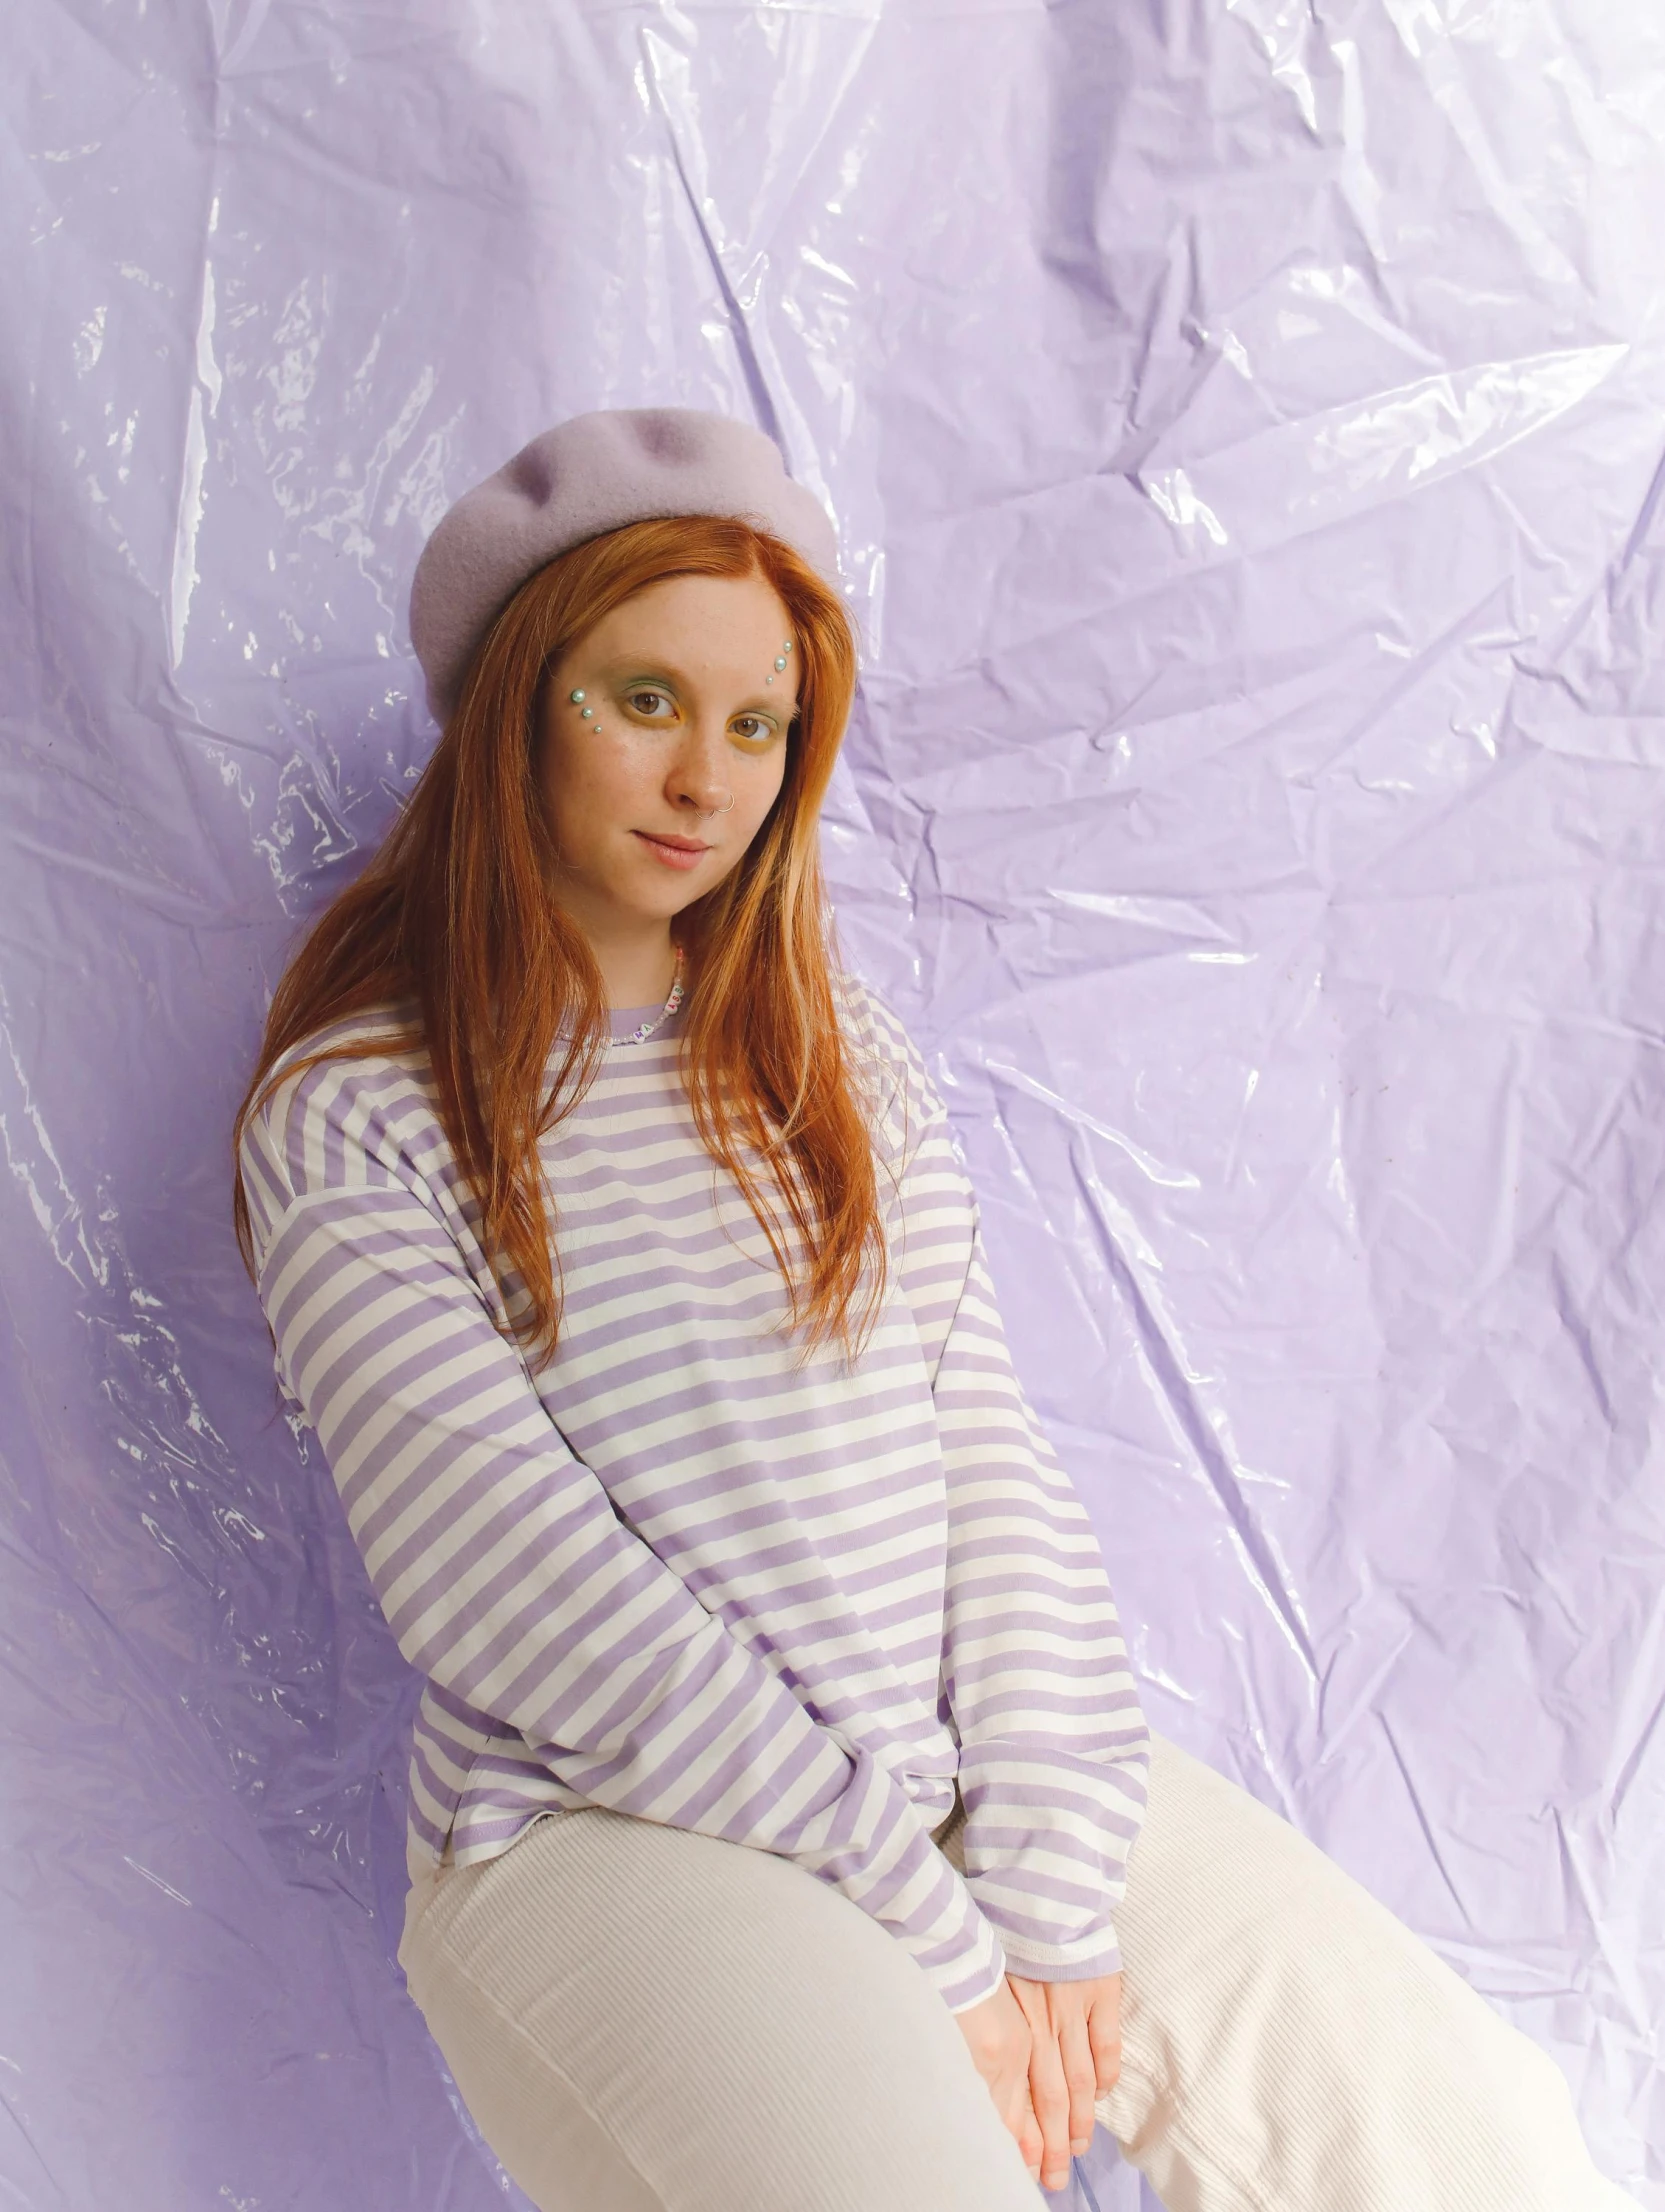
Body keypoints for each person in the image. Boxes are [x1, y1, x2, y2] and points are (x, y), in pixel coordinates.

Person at [232, 408, 1637, 2212]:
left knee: (1471, 2133)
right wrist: (938, 1940)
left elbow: (991, 1468)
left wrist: (1045, 1892)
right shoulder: (361, 1115)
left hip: (953, 1770)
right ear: (519, 701)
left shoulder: (830, 1060)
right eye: (642, 699)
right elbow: (529, 1601)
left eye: (759, 726)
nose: (705, 782)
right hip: (605, 1817)